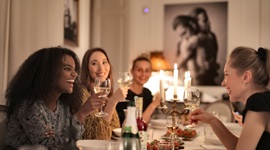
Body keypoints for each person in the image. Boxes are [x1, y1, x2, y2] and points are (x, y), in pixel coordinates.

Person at [3, 47, 105, 150]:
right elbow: (50, 146)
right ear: (48, 72)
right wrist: (81, 113)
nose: (75, 74)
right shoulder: (28, 106)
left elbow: (68, 141)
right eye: (67, 68)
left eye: (74, 69)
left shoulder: (63, 105)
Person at [190, 46, 270, 150]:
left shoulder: (258, 102)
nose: (223, 83)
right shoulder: (263, 100)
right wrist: (212, 121)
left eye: (226, 75)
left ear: (246, 77)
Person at [80, 48, 129, 140]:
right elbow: (99, 138)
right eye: (94, 63)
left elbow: (114, 128)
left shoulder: (105, 94)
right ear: (86, 68)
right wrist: (113, 101)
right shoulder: (82, 95)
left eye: (104, 62)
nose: (101, 68)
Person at [116, 55, 161, 126]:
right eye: (139, 70)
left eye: (147, 70)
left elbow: (147, 121)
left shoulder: (147, 93)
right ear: (132, 71)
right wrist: (154, 104)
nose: (143, 74)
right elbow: (136, 125)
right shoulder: (124, 94)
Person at [173, 14, 218, 85]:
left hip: (205, 85)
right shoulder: (182, 43)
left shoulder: (205, 39)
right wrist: (185, 53)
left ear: (192, 25)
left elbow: (207, 65)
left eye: (184, 33)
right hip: (187, 85)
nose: (184, 37)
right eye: (181, 35)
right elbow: (176, 65)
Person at [189, 7, 220, 85]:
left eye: (207, 19)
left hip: (211, 79)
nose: (208, 22)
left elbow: (214, 60)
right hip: (198, 82)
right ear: (196, 24)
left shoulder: (211, 36)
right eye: (204, 20)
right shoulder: (194, 40)